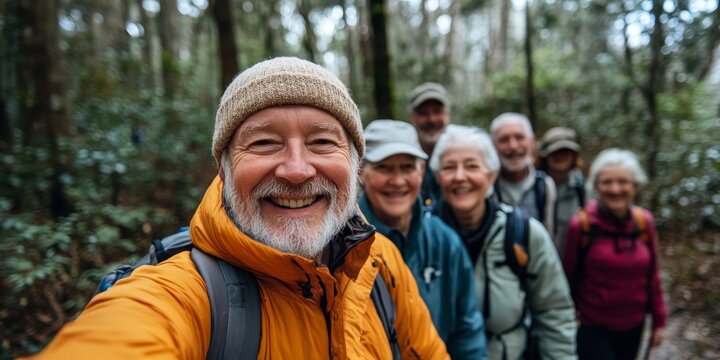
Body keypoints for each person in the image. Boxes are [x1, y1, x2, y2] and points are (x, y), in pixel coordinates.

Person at [28, 57, 450, 359]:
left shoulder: (380, 262)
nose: (297, 170)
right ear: (224, 168)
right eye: (264, 143)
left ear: (355, 166)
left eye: (323, 142)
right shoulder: (186, 293)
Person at [429, 125, 577, 360]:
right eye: (449, 167)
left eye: (472, 166)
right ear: (437, 177)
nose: (460, 176)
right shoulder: (422, 235)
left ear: (491, 175)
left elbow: (553, 311)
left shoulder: (524, 233)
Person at [358, 119, 488, 360]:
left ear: (422, 171)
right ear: (361, 172)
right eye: (384, 168)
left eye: (407, 167)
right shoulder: (342, 245)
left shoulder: (445, 242)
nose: (397, 181)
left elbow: (467, 332)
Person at [563, 148, 667, 360]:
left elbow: (652, 275)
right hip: (592, 326)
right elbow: (568, 276)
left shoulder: (643, 222)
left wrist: (659, 320)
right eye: (607, 182)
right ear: (596, 186)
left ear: (634, 185)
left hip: (634, 325)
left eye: (623, 182)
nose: (615, 189)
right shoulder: (581, 225)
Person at [490, 112, 557, 235]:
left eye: (519, 137)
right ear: (493, 146)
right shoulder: (487, 186)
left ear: (531, 142)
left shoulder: (544, 185)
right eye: (504, 140)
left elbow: (549, 234)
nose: (513, 146)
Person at [537, 126, 585, 258]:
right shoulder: (535, 186)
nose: (560, 156)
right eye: (555, 152)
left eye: (565, 152)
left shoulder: (581, 187)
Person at [408, 82, 452, 210]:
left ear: (448, 115)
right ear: (412, 118)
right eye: (424, 113)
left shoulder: (465, 154)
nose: (431, 120)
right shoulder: (404, 158)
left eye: (437, 112)